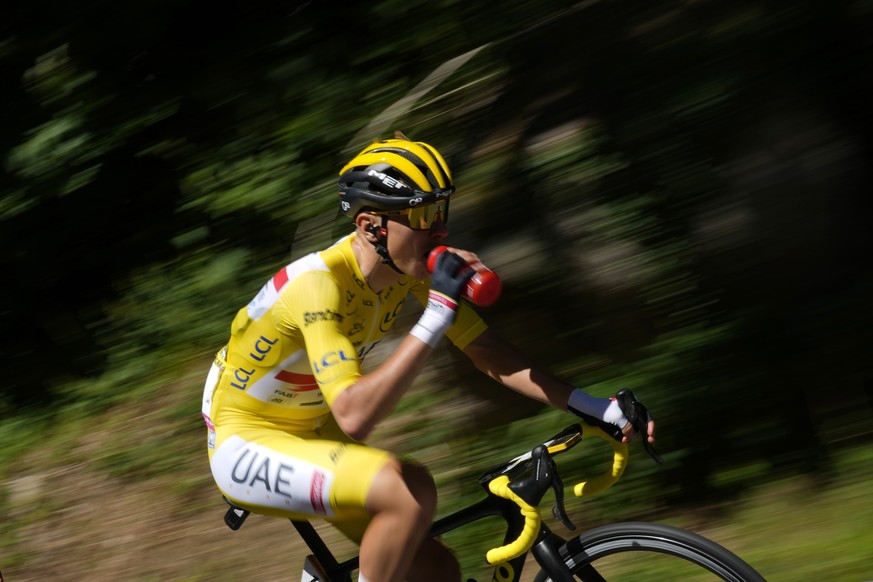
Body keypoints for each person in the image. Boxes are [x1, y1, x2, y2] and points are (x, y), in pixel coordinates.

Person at [201, 134, 655, 582]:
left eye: (440, 211)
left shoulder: (405, 272)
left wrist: (595, 408)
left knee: (437, 571)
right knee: (408, 489)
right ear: (370, 227)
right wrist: (437, 314)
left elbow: (487, 351)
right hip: (247, 438)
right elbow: (355, 415)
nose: (439, 230)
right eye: (422, 215)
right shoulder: (318, 286)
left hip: (312, 427)